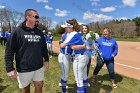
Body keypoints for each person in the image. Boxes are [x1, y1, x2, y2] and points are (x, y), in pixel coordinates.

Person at [5, 9, 49, 93]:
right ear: (28, 17)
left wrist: (46, 59)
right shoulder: (17, 31)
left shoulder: (39, 33)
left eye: (38, 17)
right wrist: (9, 68)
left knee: (39, 85)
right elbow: (9, 51)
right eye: (36, 17)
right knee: (26, 89)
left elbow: (44, 47)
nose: (38, 19)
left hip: (38, 66)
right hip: (24, 68)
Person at [60, 19, 89, 93]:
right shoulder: (79, 33)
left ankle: (65, 90)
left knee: (79, 80)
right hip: (84, 56)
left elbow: (66, 46)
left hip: (79, 57)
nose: (65, 28)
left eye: (66, 27)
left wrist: (64, 42)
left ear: (71, 27)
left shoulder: (72, 34)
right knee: (84, 75)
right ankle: (84, 90)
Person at [58, 22, 73, 93]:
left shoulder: (67, 35)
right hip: (64, 55)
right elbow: (61, 44)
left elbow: (60, 42)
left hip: (66, 55)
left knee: (64, 72)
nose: (65, 28)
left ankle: (61, 83)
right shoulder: (68, 35)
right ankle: (64, 91)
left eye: (66, 27)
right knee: (65, 74)